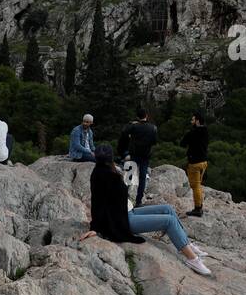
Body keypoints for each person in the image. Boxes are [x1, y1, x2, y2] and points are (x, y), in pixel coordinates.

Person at [82, 144, 210, 276]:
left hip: (128, 211)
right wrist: (96, 229)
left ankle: (186, 243)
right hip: (123, 221)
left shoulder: (107, 171)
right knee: (169, 221)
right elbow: (97, 203)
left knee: (168, 209)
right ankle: (192, 259)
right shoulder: (104, 175)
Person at [118, 107, 157, 205]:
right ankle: (138, 200)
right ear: (146, 116)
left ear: (137, 117)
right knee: (142, 178)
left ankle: (124, 198)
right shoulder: (152, 127)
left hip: (133, 155)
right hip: (145, 155)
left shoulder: (134, 127)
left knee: (128, 177)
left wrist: (131, 124)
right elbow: (154, 141)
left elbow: (124, 132)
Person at [180, 111, 208, 217]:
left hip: (194, 163)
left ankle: (197, 209)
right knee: (199, 185)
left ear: (197, 121)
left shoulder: (191, 133)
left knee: (195, 186)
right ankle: (200, 205)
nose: (191, 121)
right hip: (204, 162)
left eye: (192, 119)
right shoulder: (206, 131)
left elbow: (182, 144)